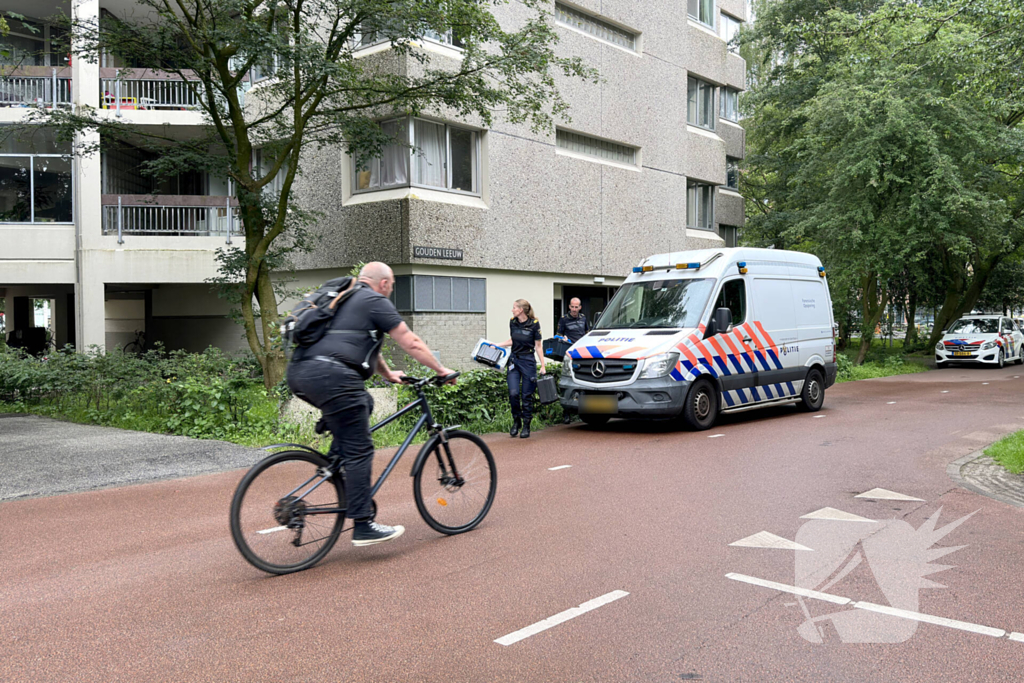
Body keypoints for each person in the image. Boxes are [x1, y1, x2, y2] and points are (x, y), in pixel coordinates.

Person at [287, 262, 456, 547]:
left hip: (300, 373)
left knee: (362, 402)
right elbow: (410, 342)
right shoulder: (375, 300)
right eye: (391, 286)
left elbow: (360, 345)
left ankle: (335, 462)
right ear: (385, 284)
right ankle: (363, 525)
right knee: (361, 448)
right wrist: (441, 370)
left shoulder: (343, 296)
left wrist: (388, 375)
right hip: (334, 377)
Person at [499, 299, 545, 439]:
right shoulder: (512, 322)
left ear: (521, 310)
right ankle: (516, 421)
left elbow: (538, 346)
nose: (512, 310)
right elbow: (513, 340)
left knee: (526, 395)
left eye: (514, 308)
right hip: (514, 360)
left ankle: (526, 425)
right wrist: (496, 344)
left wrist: (543, 365)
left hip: (528, 361)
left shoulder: (534, 325)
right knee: (513, 393)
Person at [556, 297, 591, 423]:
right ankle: (566, 414)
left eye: (577, 307)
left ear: (580, 307)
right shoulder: (564, 319)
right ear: (569, 307)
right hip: (570, 354)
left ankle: (585, 411)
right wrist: (562, 339)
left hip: (582, 354)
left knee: (583, 382)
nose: (574, 309)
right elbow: (558, 336)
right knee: (569, 381)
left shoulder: (583, 318)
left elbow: (587, 333)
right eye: (572, 307)